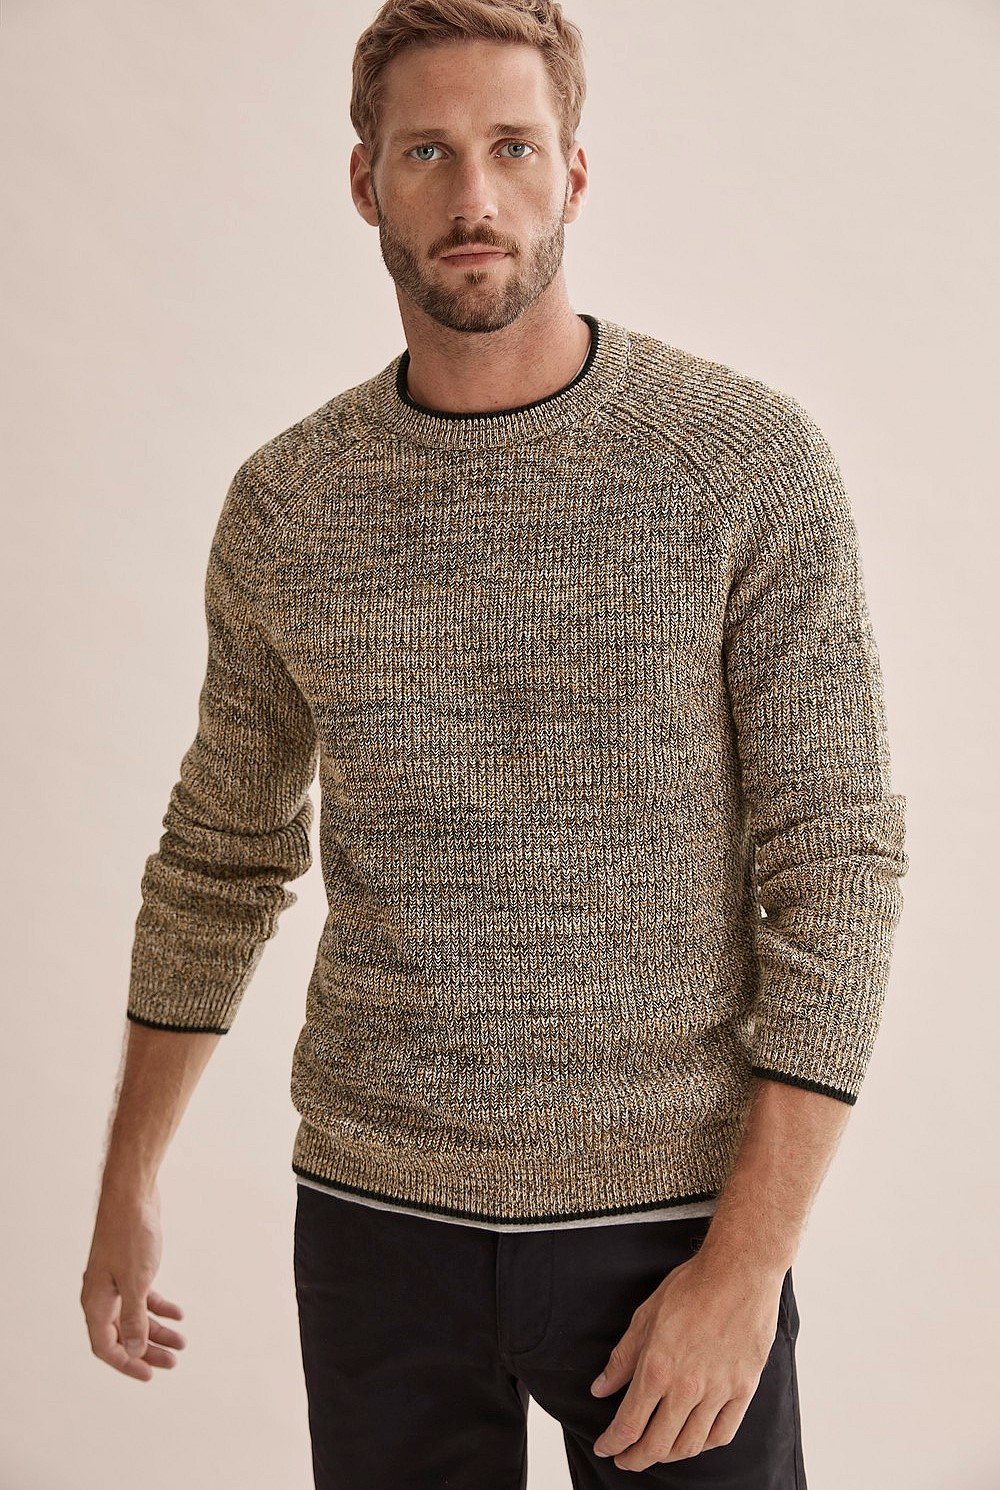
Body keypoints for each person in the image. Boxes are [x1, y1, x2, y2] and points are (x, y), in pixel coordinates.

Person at [80, 1, 909, 1484]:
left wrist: (747, 1266)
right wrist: (128, 1181)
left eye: (514, 147)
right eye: (428, 152)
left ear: (573, 172)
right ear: (365, 183)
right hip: (374, 1229)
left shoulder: (742, 464)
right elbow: (219, 855)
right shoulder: (290, 504)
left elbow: (836, 862)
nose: (475, 196)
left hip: (668, 1233)